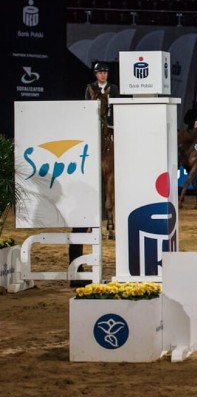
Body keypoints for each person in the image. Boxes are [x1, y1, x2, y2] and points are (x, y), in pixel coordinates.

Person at [70, 62, 114, 285]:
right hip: (91, 129)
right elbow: (84, 109)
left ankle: (111, 218)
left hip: (111, 129)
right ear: (95, 74)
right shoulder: (89, 88)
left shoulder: (113, 89)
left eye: (104, 71)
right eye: (99, 71)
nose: (102, 74)